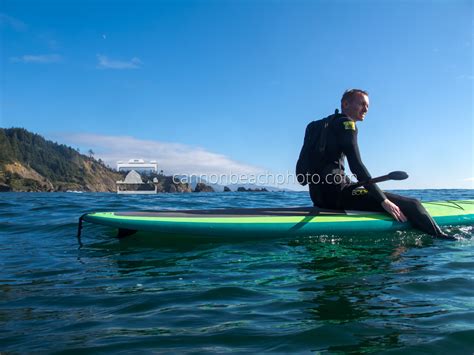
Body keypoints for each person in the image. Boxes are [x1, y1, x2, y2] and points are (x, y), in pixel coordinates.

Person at [308, 89, 452, 239]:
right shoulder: (348, 124)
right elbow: (356, 166)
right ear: (345, 104)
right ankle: (444, 240)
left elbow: (302, 170)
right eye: (362, 104)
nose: (366, 109)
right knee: (413, 204)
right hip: (338, 197)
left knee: (356, 188)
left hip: (317, 198)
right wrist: (383, 201)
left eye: (368, 106)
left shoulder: (315, 126)